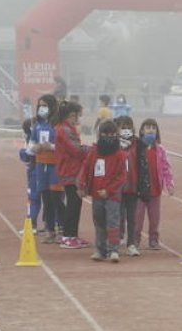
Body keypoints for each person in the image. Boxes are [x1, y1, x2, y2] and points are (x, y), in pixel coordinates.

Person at [78, 119, 128, 263]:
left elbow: (122, 176)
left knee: (112, 221)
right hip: (96, 194)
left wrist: (109, 190)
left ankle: (113, 250)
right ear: (100, 134)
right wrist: (81, 185)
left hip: (112, 196)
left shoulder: (120, 154)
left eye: (112, 134)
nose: (109, 136)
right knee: (99, 221)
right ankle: (100, 250)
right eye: (106, 133)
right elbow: (86, 167)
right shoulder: (94, 152)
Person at [54, 100, 90, 249]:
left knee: (76, 203)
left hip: (72, 169)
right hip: (70, 170)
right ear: (66, 116)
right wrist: (92, 150)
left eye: (77, 116)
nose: (76, 119)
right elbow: (76, 150)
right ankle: (68, 236)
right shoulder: (64, 130)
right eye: (73, 116)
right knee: (73, 204)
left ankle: (72, 235)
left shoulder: (68, 128)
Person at [134, 118, 174, 250]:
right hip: (140, 190)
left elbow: (166, 168)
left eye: (153, 128)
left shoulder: (160, 150)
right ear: (141, 131)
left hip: (155, 190)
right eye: (148, 128)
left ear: (157, 132)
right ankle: (135, 240)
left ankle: (154, 240)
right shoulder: (137, 148)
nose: (151, 130)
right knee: (137, 218)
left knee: (155, 218)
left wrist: (169, 184)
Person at [30, 94, 62, 242]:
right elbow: (30, 146)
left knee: (57, 198)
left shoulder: (57, 125)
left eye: (45, 105)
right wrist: (34, 148)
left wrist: (52, 146)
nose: (42, 108)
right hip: (40, 165)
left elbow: (62, 146)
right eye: (40, 105)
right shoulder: (37, 125)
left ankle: (62, 227)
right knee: (46, 198)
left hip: (55, 165)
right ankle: (50, 230)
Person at [114, 116, 141, 256]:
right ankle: (116, 241)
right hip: (117, 188)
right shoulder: (113, 144)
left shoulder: (137, 143)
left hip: (132, 187)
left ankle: (131, 243)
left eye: (129, 127)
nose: (126, 130)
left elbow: (141, 165)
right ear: (117, 129)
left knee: (132, 217)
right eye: (123, 127)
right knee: (117, 216)